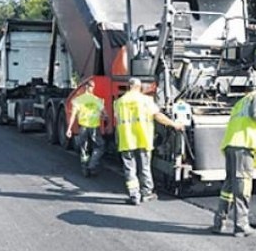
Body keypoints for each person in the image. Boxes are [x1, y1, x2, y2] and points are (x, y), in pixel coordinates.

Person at [212, 87, 256, 238]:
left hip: (231, 145)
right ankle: (241, 226)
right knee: (243, 185)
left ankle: (219, 222)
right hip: (244, 145)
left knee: (229, 186)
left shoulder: (241, 101)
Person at [114, 77, 184, 205]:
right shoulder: (146, 100)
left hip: (126, 140)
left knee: (130, 169)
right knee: (145, 167)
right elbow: (158, 116)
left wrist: (117, 139)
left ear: (129, 86)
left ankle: (134, 195)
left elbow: (117, 122)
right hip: (143, 138)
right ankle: (146, 193)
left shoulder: (119, 102)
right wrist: (174, 124)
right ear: (139, 87)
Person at [66, 78, 108, 177]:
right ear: (92, 88)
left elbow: (73, 116)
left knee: (84, 148)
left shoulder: (78, 100)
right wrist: (105, 120)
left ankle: (85, 168)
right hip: (94, 127)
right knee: (100, 146)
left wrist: (69, 129)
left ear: (85, 87)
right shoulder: (97, 100)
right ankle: (92, 164)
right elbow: (105, 114)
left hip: (83, 127)